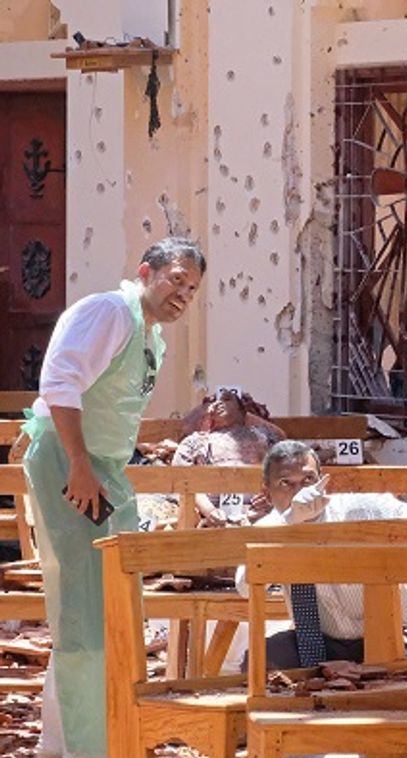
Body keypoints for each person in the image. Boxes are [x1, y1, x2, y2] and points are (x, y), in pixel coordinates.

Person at [22, 237, 205, 758]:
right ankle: (87, 747)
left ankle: (70, 741)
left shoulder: (151, 337)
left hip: (105, 470)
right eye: (176, 280)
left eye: (192, 289)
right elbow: (59, 381)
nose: (183, 295)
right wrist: (77, 464)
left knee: (113, 607)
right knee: (84, 610)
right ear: (146, 272)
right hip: (74, 465)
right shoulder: (109, 312)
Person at [236, 441, 407, 669]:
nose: (301, 493)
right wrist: (288, 526)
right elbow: (245, 587)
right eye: (286, 483)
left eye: (308, 480)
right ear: (267, 493)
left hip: (392, 635)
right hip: (319, 643)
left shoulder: (362, 509)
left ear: (323, 482)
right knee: (258, 661)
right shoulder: (270, 528)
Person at [171, 387, 284, 526]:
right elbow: (182, 479)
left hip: (262, 514)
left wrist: (271, 497)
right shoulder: (194, 442)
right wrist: (209, 511)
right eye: (214, 402)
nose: (219, 404)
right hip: (213, 516)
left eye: (226, 399)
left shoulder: (265, 436)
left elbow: (284, 464)